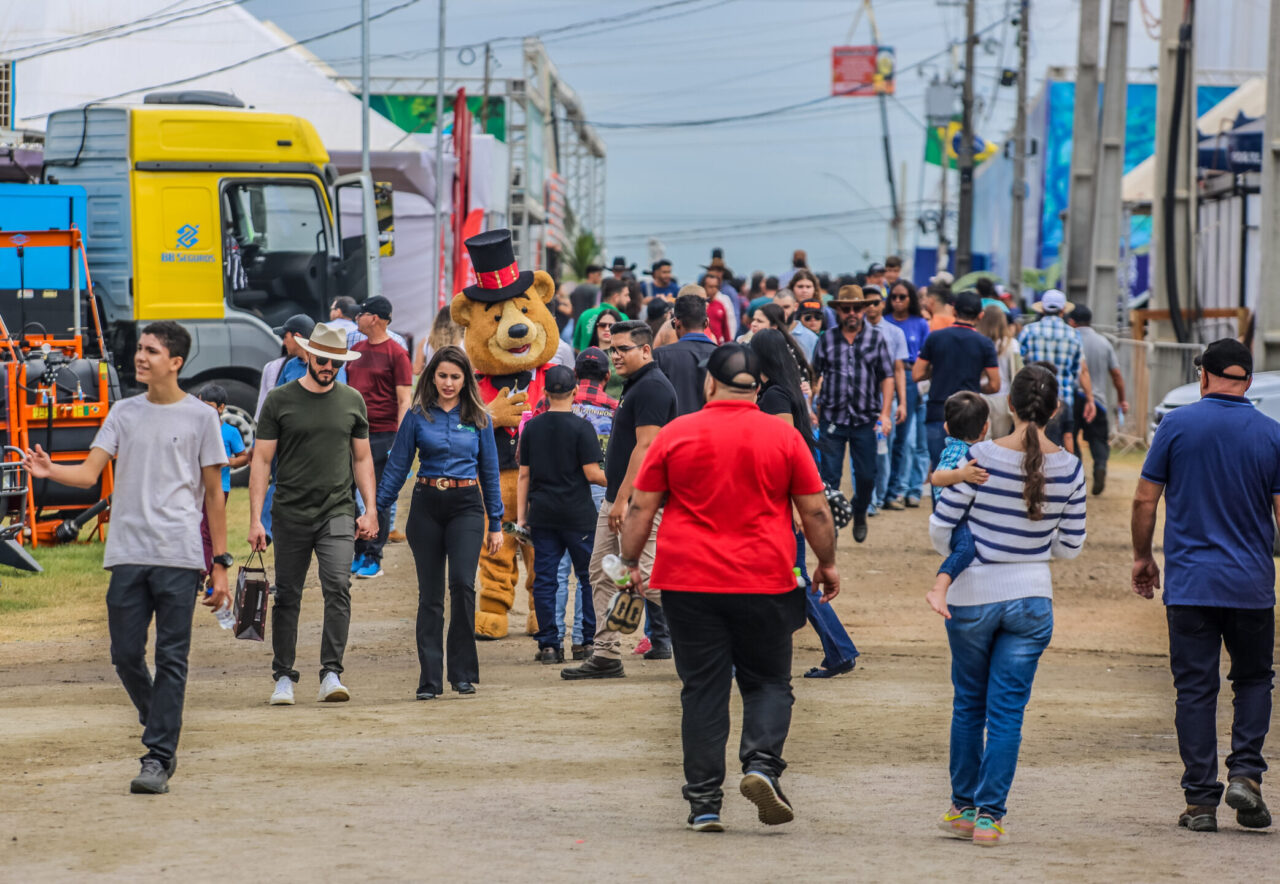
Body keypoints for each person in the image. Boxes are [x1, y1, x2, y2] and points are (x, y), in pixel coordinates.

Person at [621, 342, 839, 832]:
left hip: (688, 581)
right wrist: (826, 563)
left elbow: (640, 507)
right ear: (759, 386)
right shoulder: (783, 438)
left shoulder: (677, 434)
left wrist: (631, 562)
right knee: (767, 682)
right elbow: (816, 510)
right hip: (766, 580)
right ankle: (761, 764)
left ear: (709, 383)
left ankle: (703, 803)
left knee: (702, 689)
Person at [25, 321, 231, 794]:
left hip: (179, 555)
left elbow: (215, 496)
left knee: (172, 657)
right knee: (124, 655)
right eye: (140, 349)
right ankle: (158, 715)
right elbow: (91, 473)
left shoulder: (201, 417)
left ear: (175, 362)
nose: (141, 357)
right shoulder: (123, 412)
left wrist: (220, 562)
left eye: (152, 351)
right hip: (127, 553)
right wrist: (50, 468)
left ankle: (158, 757)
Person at [928, 364, 1087, 846]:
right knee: (1008, 713)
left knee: (968, 706)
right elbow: (1070, 546)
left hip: (973, 596)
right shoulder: (1072, 468)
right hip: (1032, 598)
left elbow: (942, 528)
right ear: (1056, 409)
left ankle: (962, 807)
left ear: (1009, 406)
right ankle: (990, 818)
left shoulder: (978, 456)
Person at [1131, 338, 1277, 833]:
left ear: (1203, 376)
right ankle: (1246, 775)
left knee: (1195, 689)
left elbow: (1145, 501)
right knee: (1254, 679)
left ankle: (1200, 802)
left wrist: (1142, 557)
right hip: (1251, 584)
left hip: (1191, 584)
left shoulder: (1175, 426)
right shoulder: (1271, 433)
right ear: (1249, 381)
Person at [249, 322, 379, 707]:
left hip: (337, 510)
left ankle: (331, 672)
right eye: (323, 359)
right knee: (287, 593)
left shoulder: (352, 400)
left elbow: (362, 457)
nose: (329, 367)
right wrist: (257, 519)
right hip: (289, 511)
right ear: (307, 355)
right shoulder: (279, 400)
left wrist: (370, 509)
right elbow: (261, 461)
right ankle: (284, 676)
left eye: (336, 362)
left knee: (338, 583)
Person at [377, 345, 504, 699]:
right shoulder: (417, 416)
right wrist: (375, 512)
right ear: (432, 377)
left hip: (466, 506)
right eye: (442, 376)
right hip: (426, 506)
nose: (448, 383)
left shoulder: (480, 417)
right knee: (430, 596)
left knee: (463, 585)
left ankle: (462, 673)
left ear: (466, 380)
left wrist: (495, 522)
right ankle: (430, 679)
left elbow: (490, 472)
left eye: (455, 377)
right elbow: (397, 468)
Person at [562, 320, 677, 679]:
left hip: (640, 501)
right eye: (613, 349)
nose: (616, 356)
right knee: (601, 572)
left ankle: (710, 628)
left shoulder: (653, 388)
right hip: (618, 498)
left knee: (646, 576)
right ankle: (607, 654)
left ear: (645, 350)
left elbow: (646, 448)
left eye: (623, 349)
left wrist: (623, 500)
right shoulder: (636, 386)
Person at [752, 329, 858, 679]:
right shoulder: (783, 391)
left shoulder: (774, 397)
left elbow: (782, 451)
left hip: (785, 503)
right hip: (789, 501)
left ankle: (839, 649)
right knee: (792, 579)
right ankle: (838, 649)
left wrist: (795, 506)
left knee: (795, 580)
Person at [517, 365, 606, 664]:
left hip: (542, 513)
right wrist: (620, 479)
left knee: (546, 579)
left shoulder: (532, 428)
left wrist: (521, 517)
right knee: (587, 578)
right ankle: (585, 641)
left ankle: (549, 645)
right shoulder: (583, 428)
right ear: (575, 392)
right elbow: (592, 474)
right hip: (578, 514)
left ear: (545, 392)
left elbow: (523, 476)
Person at [810, 285, 894, 543]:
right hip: (832, 417)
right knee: (830, 477)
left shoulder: (876, 338)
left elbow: (887, 376)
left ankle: (859, 511)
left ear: (864, 309)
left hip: (864, 419)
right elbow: (816, 374)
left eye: (857, 308)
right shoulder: (827, 339)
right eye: (846, 309)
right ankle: (832, 524)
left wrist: (886, 413)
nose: (852, 313)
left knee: (868, 476)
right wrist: (812, 406)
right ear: (838, 311)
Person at [345, 295, 414, 580]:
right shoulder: (357, 349)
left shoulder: (396, 353)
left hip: (384, 434)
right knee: (349, 492)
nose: (356, 319)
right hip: (353, 433)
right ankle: (358, 549)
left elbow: (404, 400)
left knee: (378, 497)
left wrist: (401, 442)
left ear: (374, 318)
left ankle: (374, 554)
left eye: (360, 314)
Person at [913, 290, 1001, 471]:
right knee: (968, 469)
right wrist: (976, 385)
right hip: (971, 414)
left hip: (938, 411)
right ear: (980, 315)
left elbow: (917, 374)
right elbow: (995, 384)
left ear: (954, 312)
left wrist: (938, 370)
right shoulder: (984, 344)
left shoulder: (935, 338)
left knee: (939, 468)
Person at [923, 392, 990, 614]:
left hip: (969, 515)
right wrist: (962, 474)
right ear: (985, 427)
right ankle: (939, 587)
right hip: (953, 518)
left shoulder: (981, 451)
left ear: (946, 427)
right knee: (966, 547)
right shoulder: (956, 450)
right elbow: (937, 477)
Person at [1018, 290, 1095, 453]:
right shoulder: (1073, 334)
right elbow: (1081, 370)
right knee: (1062, 441)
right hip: (1062, 400)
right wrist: (1090, 399)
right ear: (1063, 311)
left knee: (1029, 443)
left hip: (1032, 398)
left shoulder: (1028, 331)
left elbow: (1020, 365)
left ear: (1042, 310)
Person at [1068, 305, 1127, 494]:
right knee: (1098, 439)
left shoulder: (1068, 340)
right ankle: (1100, 466)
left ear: (1072, 321)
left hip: (1072, 398)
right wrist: (1121, 399)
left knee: (1069, 435)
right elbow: (1116, 375)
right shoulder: (1104, 343)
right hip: (1098, 400)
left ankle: (1077, 472)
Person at [860, 285, 908, 515]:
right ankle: (866, 498)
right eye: (866, 302)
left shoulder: (894, 333)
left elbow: (899, 370)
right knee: (861, 449)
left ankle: (878, 497)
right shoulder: (853, 332)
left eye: (876, 302)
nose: (871, 306)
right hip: (859, 399)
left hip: (885, 399)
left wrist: (903, 403)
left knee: (883, 450)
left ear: (882, 304)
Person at [196, 384, 249, 579]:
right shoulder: (195, 429)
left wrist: (229, 462)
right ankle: (200, 569)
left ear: (220, 408)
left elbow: (243, 457)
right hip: (196, 487)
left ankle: (203, 572)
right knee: (196, 528)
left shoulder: (230, 432)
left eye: (208, 406)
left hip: (219, 488)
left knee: (207, 530)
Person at [885, 279, 930, 507]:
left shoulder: (920, 323)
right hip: (888, 378)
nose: (898, 301)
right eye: (893, 297)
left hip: (913, 379)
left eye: (902, 297)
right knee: (890, 438)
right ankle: (891, 489)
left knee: (909, 439)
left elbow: (927, 354)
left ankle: (906, 489)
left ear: (910, 299)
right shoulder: (884, 322)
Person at [653, 293, 717, 416]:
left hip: (672, 431)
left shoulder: (660, 356)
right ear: (706, 323)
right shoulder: (722, 356)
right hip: (709, 432)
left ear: (676, 323)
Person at [976, 304, 1022, 439]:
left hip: (979, 395)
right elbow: (1017, 372)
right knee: (1000, 441)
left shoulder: (978, 341)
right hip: (1003, 398)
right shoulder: (1011, 343)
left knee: (981, 441)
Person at [574, 276, 628, 352]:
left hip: (585, 361)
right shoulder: (622, 317)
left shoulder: (585, 314)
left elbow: (577, 347)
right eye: (626, 295)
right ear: (616, 297)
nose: (629, 299)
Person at [415, 308, 465, 376]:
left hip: (432, 383)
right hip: (456, 384)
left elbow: (416, 370)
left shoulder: (427, 341)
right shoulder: (464, 343)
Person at [787, 270, 822, 358]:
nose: (804, 290)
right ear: (792, 288)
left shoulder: (824, 310)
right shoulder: (787, 312)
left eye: (808, 287)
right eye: (800, 286)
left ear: (815, 289)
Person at [699, 267, 732, 344]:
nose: (714, 289)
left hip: (718, 346)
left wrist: (729, 344)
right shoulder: (698, 306)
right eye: (710, 287)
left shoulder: (720, 305)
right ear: (704, 287)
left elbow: (726, 330)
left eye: (716, 286)